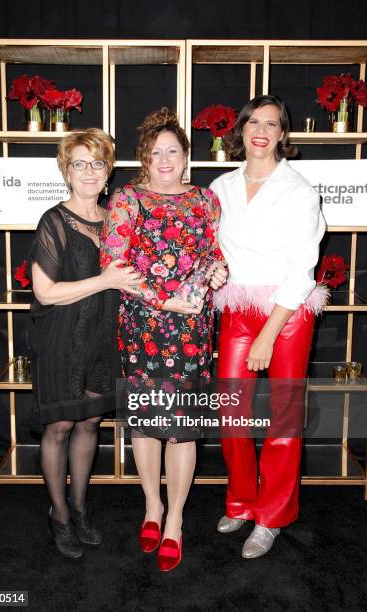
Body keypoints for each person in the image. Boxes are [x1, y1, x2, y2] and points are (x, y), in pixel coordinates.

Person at [101, 108, 227, 571]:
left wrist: (218, 271)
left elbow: (215, 252)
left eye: (173, 150)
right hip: (144, 328)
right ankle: (152, 505)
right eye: (157, 153)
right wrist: (163, 301)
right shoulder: (128, 200)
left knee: (183, 429)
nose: (166, 159)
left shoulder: (205, 200)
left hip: (193, 329)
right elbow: (113, 265)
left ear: (186, 155)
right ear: (145, 159)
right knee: (147, 423)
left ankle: (174, 519)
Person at [210, 95, 327, 559]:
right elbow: (218, 251)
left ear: (283, 135)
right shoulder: (220, 186)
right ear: (240, 130)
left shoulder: (299, 190)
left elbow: (302, 270)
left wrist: (267, 333)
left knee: (282, 417)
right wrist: (215, 270)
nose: (261, 130)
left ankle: (272, 516)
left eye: (271, 123)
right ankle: (240, 500)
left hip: (288, 313)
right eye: (253, 121)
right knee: (231, 410)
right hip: (238, 306)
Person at [27, 128, 142, 559]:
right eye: (79, 163)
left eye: (97, 162)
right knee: (58, 426)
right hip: (60, 338)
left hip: (104, 337)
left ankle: (78, 508)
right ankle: (58, 514)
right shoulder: (54, 221)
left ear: (108, 170)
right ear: (66, 171)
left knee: (90, 423)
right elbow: (46, 292)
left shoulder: (119, 219)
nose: (89, 171)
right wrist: (107, 279)